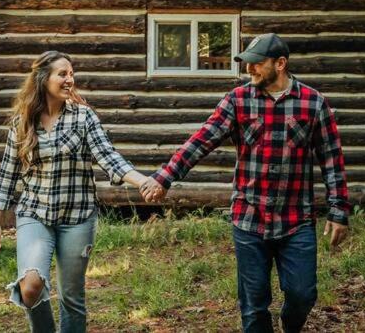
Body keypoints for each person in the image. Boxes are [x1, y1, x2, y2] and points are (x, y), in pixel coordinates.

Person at [140, 33, 350, 333]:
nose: (249, 70)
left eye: (256, 64)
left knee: (303, 295)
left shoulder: (313, 103)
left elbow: (331, 158)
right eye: (246, 64)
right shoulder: (237, 100)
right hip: (249, 218)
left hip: (297, 219)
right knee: (253, 305)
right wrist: (165, 177)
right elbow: (201, 140)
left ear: (280, 64)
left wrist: (339, 210)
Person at [0, 50, 153, 333]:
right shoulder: (23, 121)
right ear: (43, 79)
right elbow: (7, 173)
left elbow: (109, 157)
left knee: (71, 297)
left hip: (77, 217)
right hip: (34, 213)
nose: (69, 80)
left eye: (71, 74)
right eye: (62, 74)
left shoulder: (83, 117)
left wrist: (143, 181)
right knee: (30, 287)